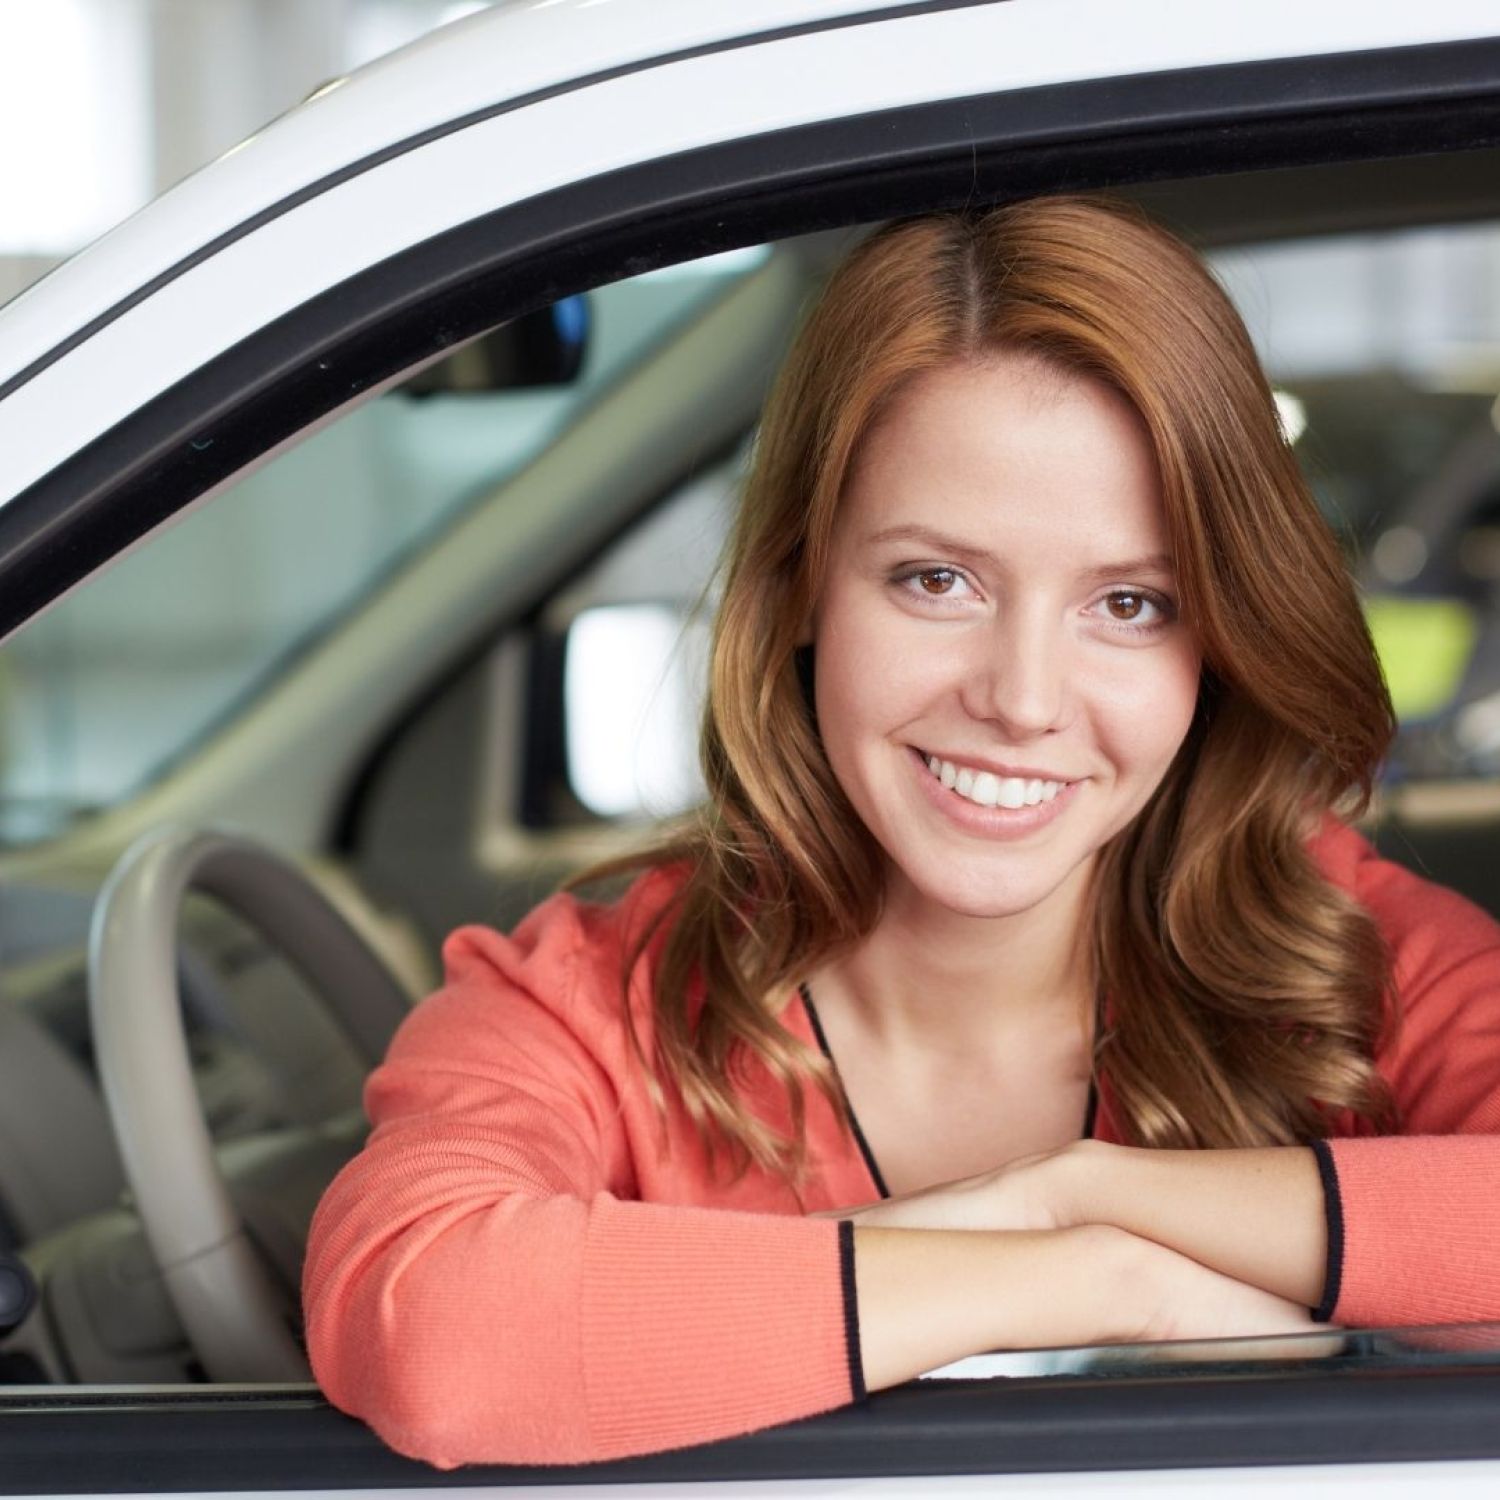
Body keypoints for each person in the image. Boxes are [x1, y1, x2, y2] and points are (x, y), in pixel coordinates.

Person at [302, 196, 1500, 1468]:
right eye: (938, 581)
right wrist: (1090, 1283)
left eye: (1132, 604)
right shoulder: (604, 998)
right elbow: (435, 1327)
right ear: (803, 584)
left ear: (1216, 645)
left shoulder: (1346, 950)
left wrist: (1076, 1192)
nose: (1024, 699)